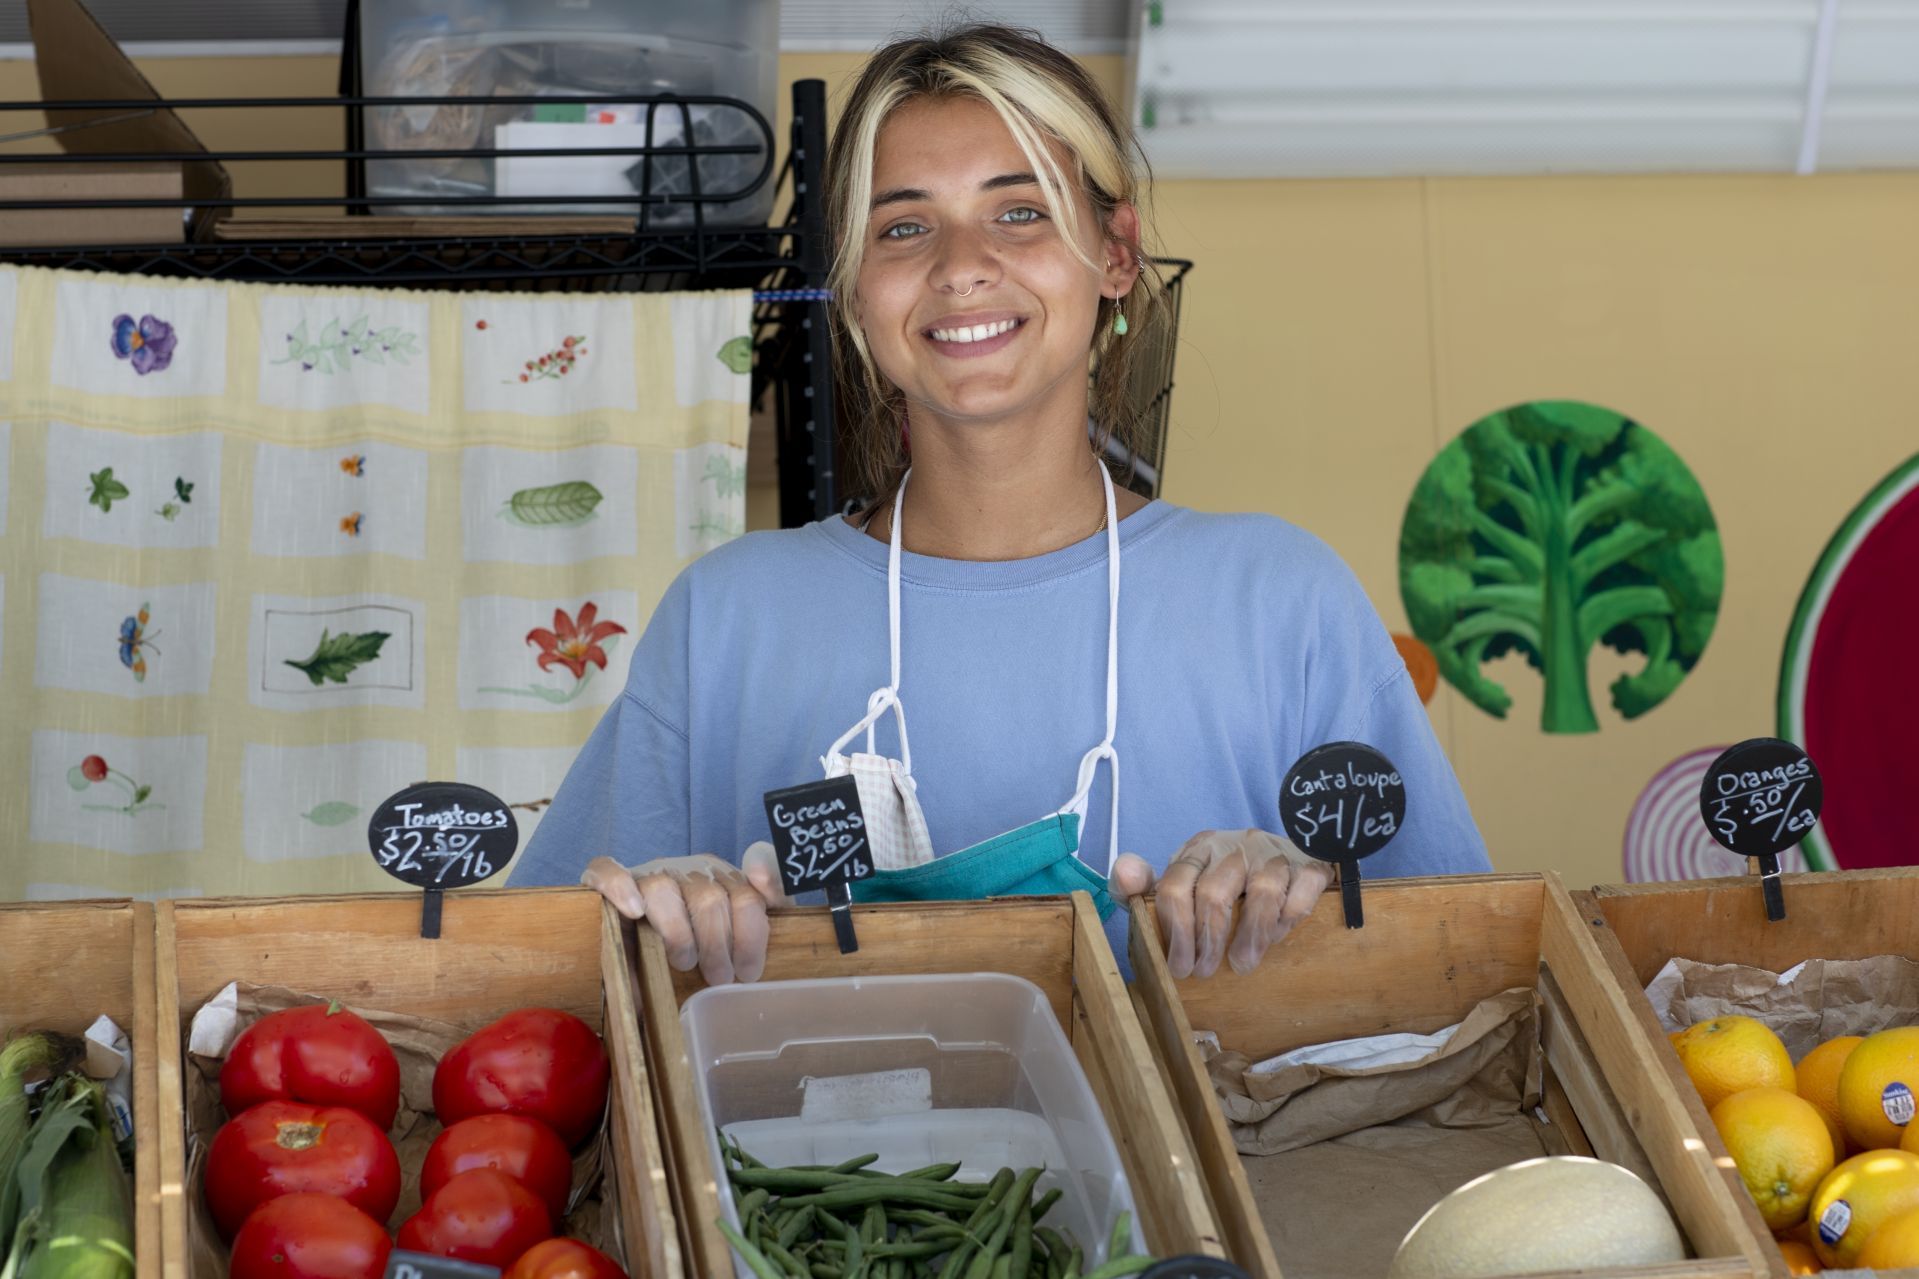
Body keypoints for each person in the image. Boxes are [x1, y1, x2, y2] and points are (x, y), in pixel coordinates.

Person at [508, 23, 1491, 983]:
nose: (960, 263)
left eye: (1016, 211)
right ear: (853, 290)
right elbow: (536, 987)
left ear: (1113, 254)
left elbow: (1461, 977)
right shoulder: (723, 617)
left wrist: (1312, 899)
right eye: (902, 226)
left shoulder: (1283, 596)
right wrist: (640, 922)